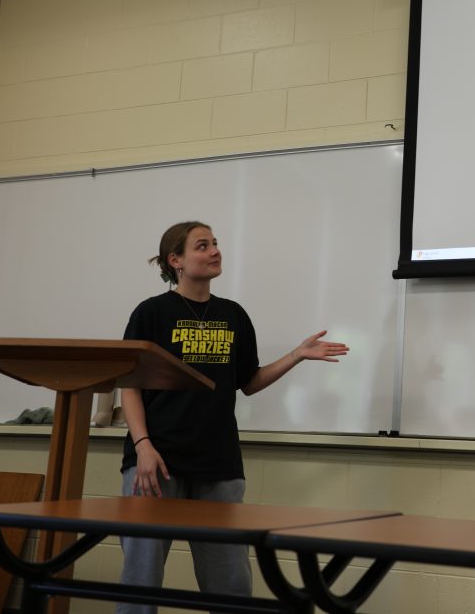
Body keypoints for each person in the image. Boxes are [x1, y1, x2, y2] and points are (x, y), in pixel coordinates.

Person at [116, 220, 348, 613]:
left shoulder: (233, 315)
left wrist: (296, 355)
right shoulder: (152, 312)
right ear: (176, 260)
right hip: (155, 461)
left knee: (231, 584)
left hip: (218, 463)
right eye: (202, 245)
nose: (215, 251)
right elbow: (130, 384)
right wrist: (143, 446)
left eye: (215, 243)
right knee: (142, 581)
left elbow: (250, 382)